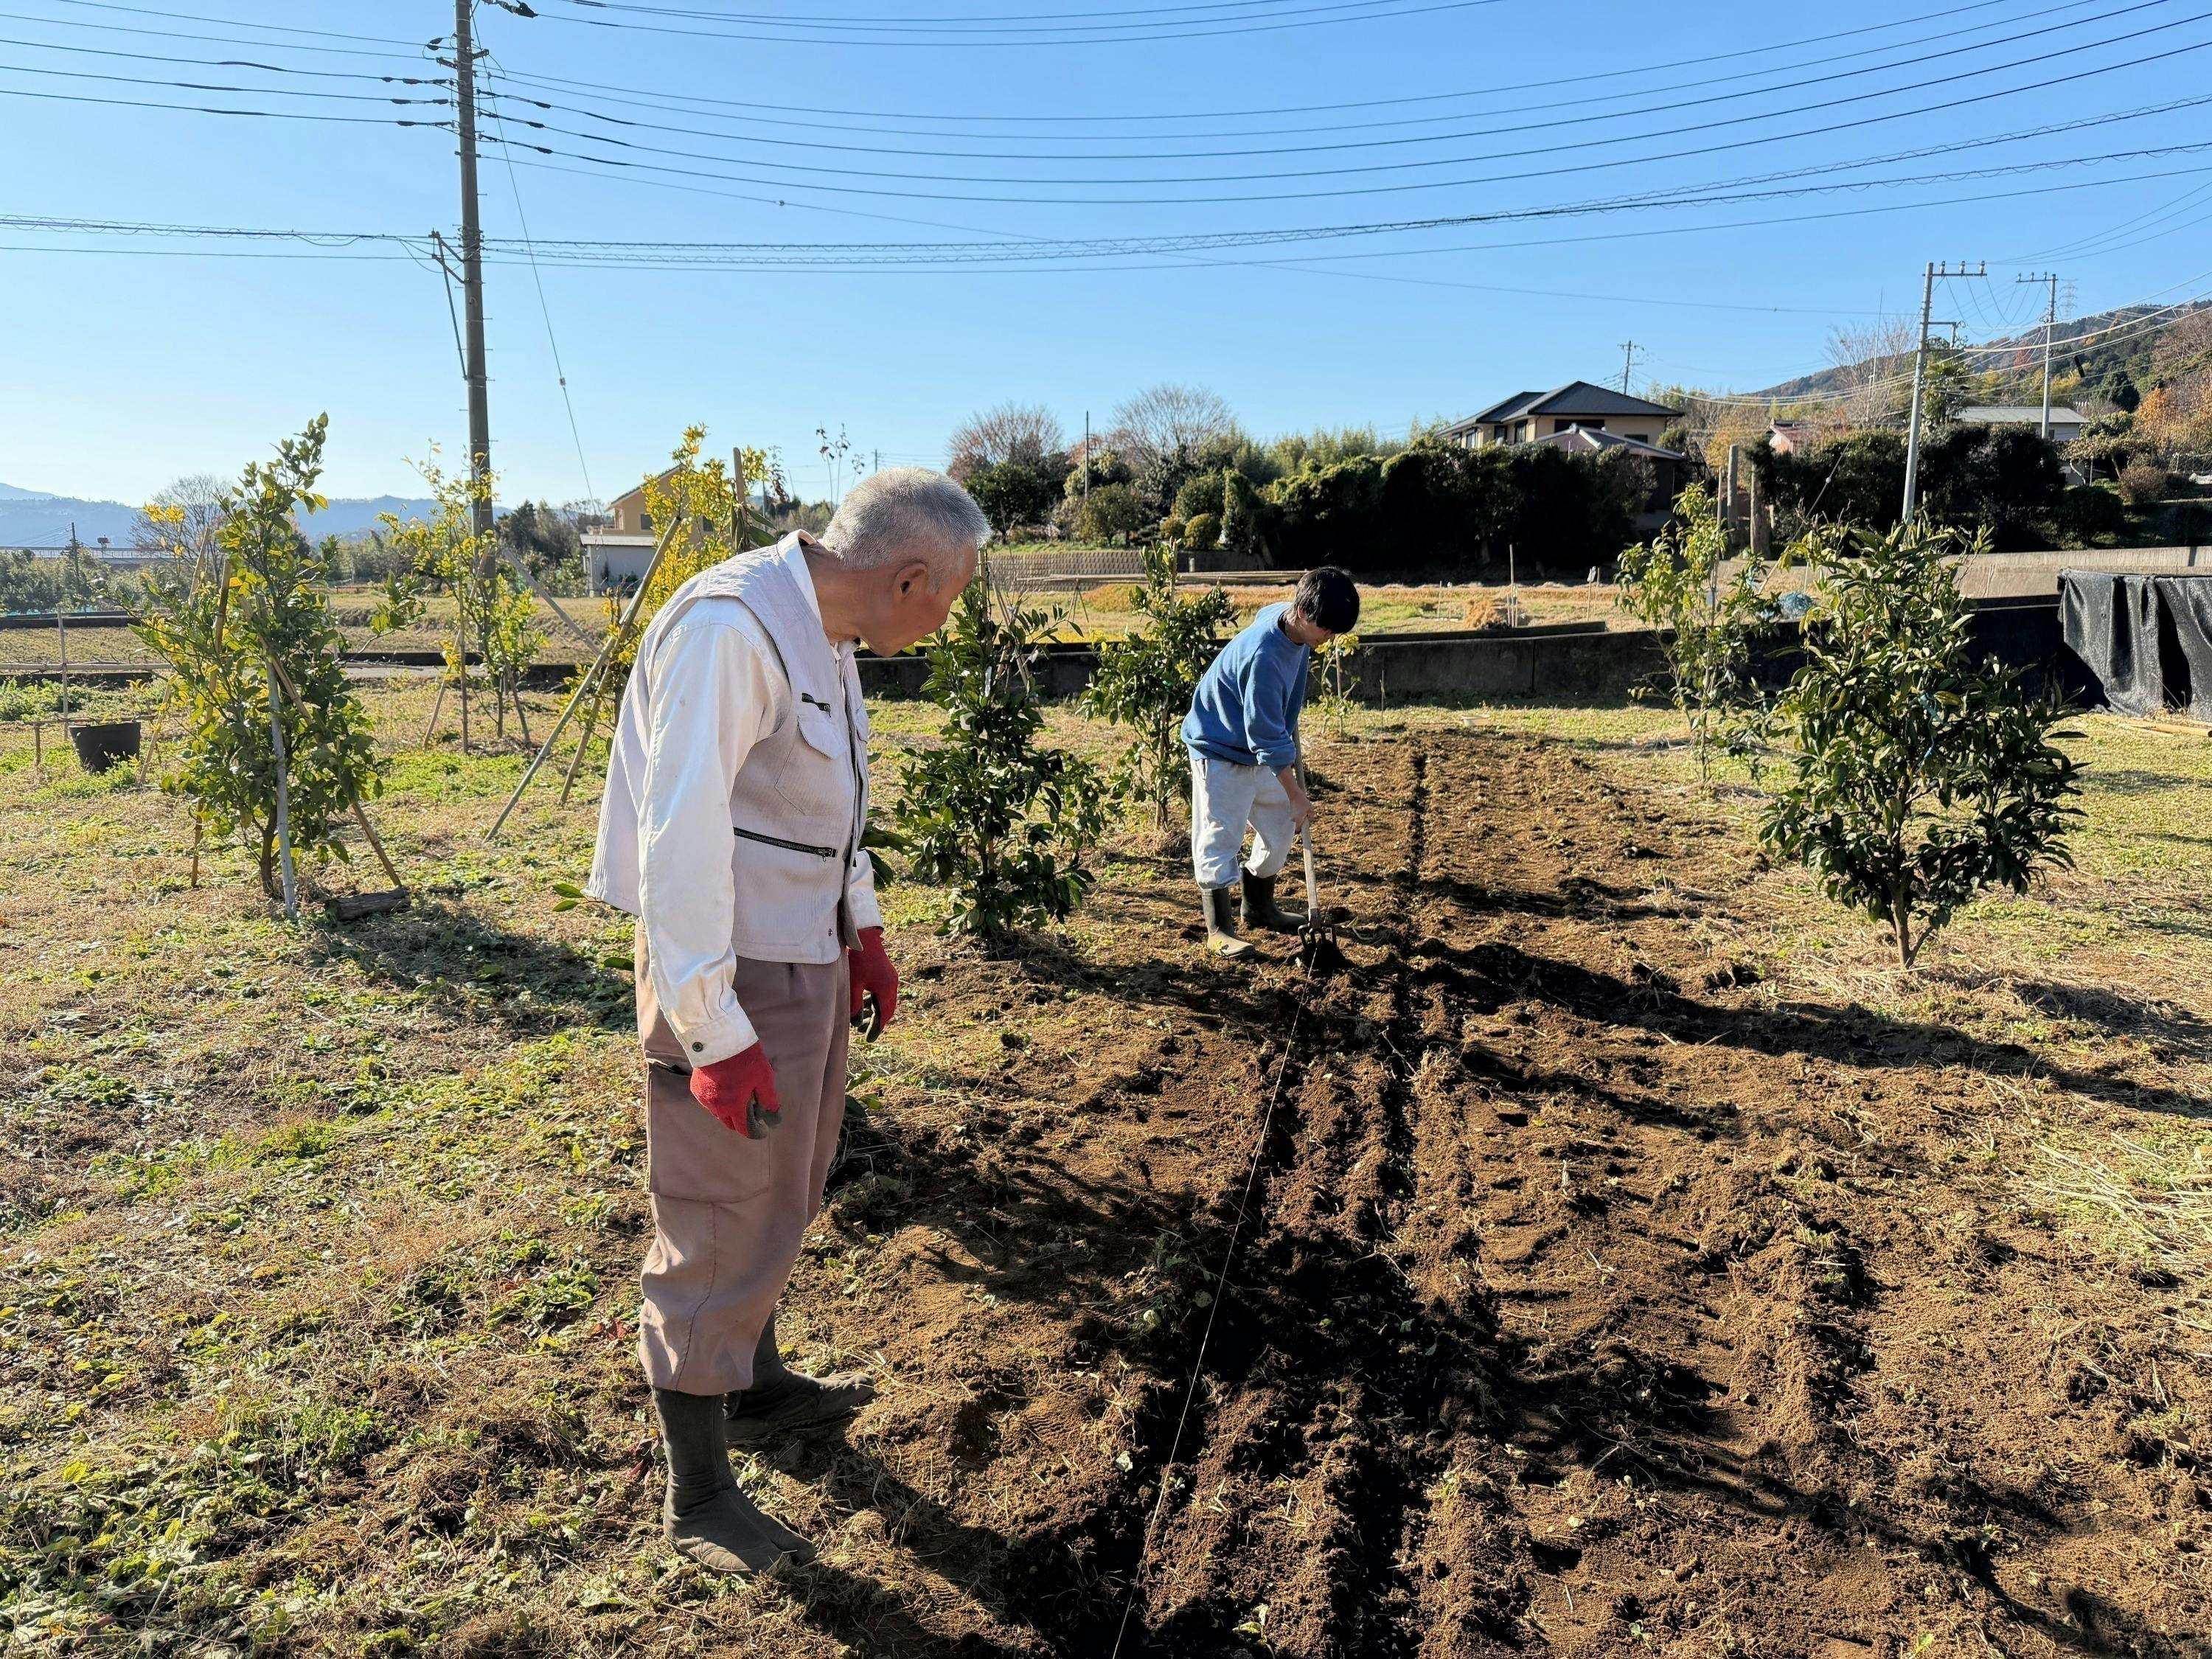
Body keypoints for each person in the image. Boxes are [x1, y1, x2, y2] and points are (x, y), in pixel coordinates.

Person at [587, 469, 986, 1578]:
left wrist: (863, 926)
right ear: (908, 576)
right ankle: (700, 1492)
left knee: (789, 1179)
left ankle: (753, 1381)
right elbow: (681, 848)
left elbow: (831, 805)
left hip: (803, 951)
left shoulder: (829, 634)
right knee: (719, 1207)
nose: (943, 622)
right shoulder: (733, 630)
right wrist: (708, 1029)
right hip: (730, 964)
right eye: (946, 598)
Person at [1179, 566, 1361, 958]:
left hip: (1256, 745)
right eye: (1327, 630)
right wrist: (1297, 794)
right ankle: (1219, 929)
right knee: (1220, 835)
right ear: (1304, 613)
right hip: (1220, 747)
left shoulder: (1285, 618)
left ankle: (1258, 907)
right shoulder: (1264, 655)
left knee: (1280, 827)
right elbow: (1264, 736)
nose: (1329, 639)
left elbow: (1268, 614)